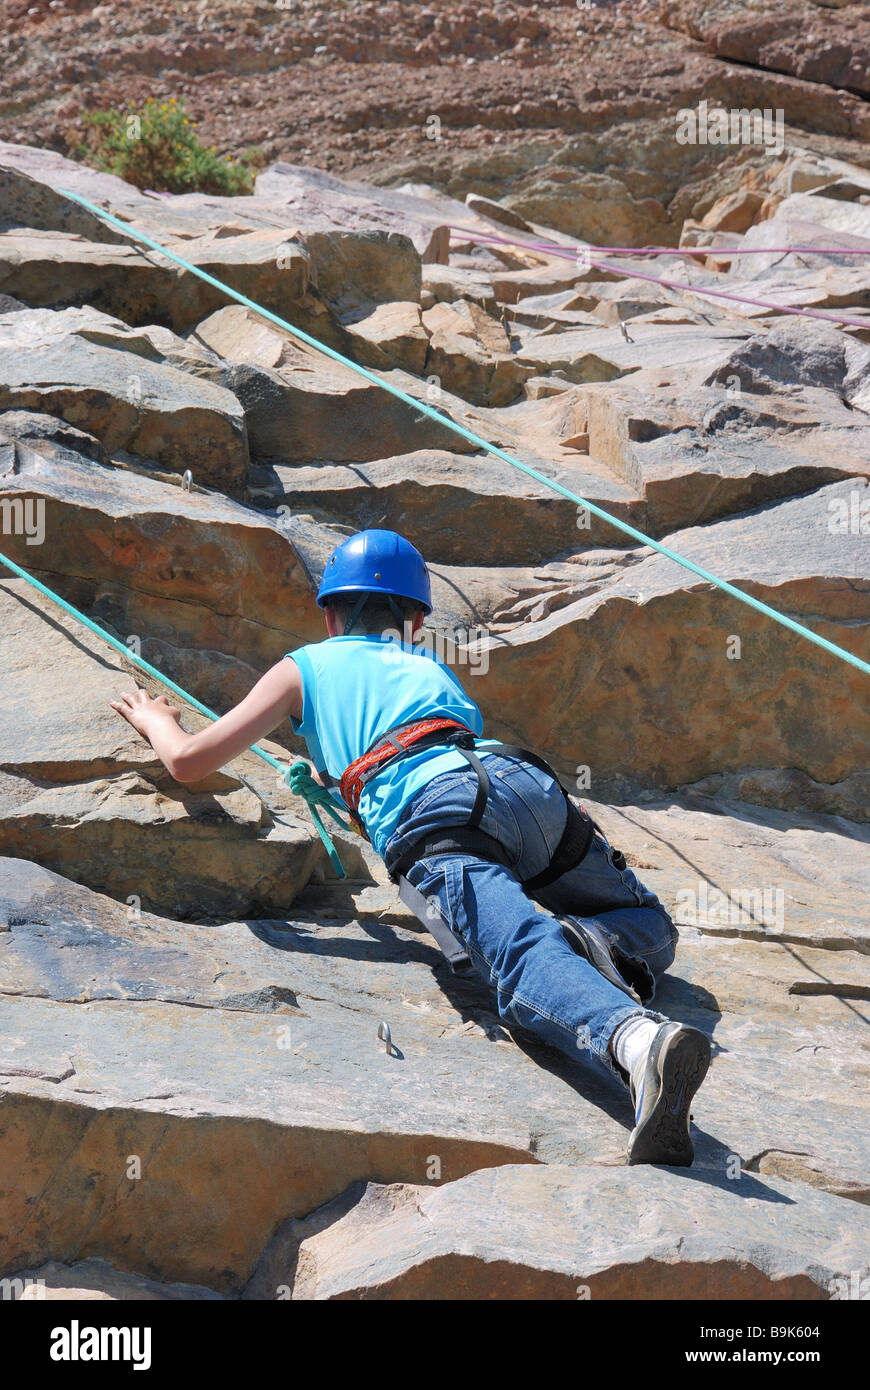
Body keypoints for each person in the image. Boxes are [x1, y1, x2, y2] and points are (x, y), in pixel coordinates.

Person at [110, 528, 711, 1166]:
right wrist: (338, 783)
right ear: (416, 619)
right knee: (651, 928)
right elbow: (420, 745)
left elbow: (190, 763)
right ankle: (584, 944)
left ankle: (635, 1040)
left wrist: (159, 722)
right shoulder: (427, 667)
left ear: (329, 611)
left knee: (509, 951)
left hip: (439, 813)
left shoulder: (303, 665)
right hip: (520, 784)